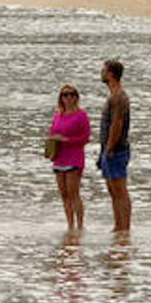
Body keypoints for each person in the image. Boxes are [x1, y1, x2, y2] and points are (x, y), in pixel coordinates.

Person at [47, 84, 90, 231]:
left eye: (72, 94)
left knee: (74, 193)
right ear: (61, 98)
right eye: (65, 95)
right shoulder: (58, 116)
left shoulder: (81, 115)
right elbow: (52, 134)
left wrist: (66, 140)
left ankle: (80, 225)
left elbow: (85, 138)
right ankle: (70, 225)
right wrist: (52, 143)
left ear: (76, 97)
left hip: (74, 158)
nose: (68, 97)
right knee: (64, 194)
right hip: (59, 158)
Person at [97, 59, 131, 233]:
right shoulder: (113, 95)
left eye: (103, 70)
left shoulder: (118, 97)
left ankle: (124, 228)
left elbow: (117, 124)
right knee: (112, 191)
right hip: (109, 150)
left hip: (116, 150)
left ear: (110, 74)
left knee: (120, 191)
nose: (101, 73)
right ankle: (118, 226)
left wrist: (109, 148)